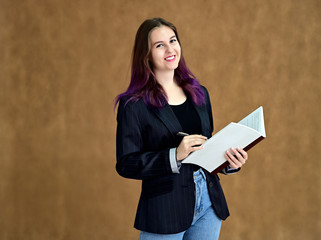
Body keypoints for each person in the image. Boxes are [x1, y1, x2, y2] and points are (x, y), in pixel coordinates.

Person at [115, 18, 248, 240]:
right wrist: (174, 155)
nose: (170, 49)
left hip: (208, 203)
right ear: (145, 54)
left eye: (173, 41)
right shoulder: (134, 105)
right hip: (164, 208)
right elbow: (126, 164)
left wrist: (228, 162)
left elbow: (206, 147)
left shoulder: (200, 93)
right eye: (159, 45)